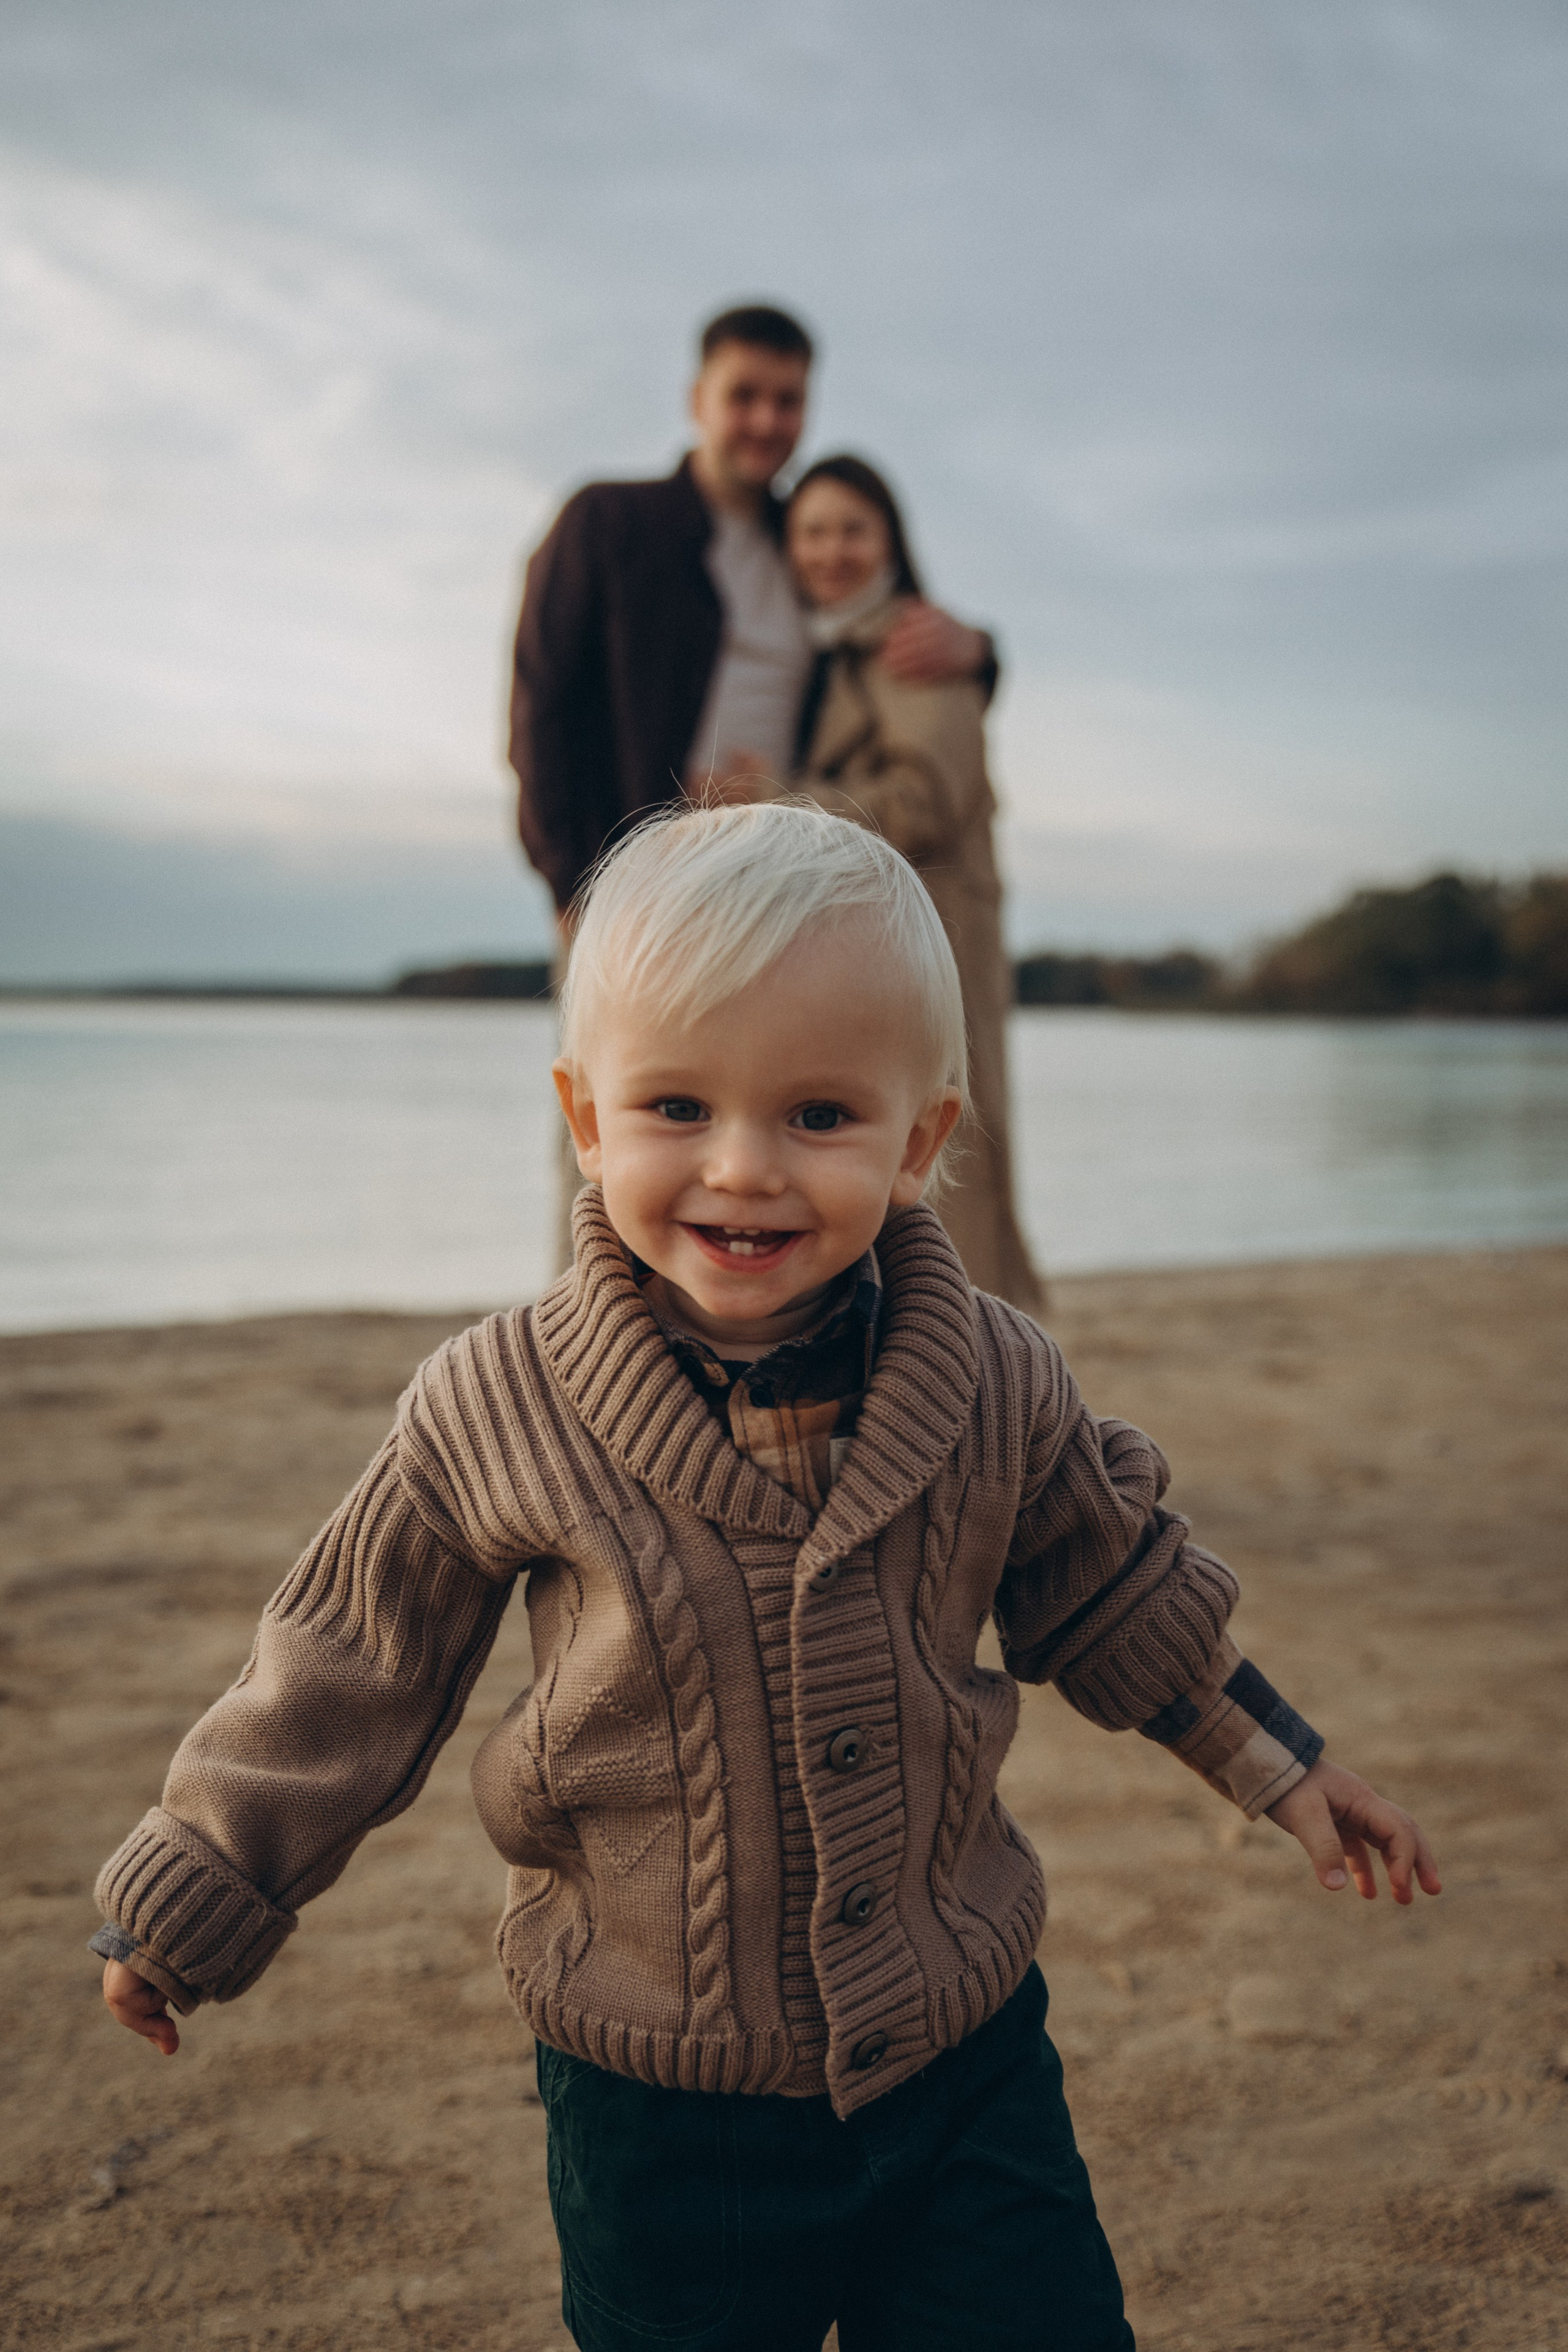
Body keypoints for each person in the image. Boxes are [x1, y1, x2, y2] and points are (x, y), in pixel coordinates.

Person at [91, 805, 1441, 2352]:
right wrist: (190, 1898)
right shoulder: (494, 1400)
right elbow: (347, 1667)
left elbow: (1116, 1590)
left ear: (919, 1139)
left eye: (816, 1115)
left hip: (961, 2049)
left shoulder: (996, 1376)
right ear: (582, 1120)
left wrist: (1286, 1770)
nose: (741, 1168)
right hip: (658, 2099)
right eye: (675, 1104)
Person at [507, 303, 996, 917]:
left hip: (778, 901)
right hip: (636, 897)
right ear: (697, 401)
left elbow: (878, 651)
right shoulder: (607, 523)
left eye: (787, 401)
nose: (766, 421)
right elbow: (541, 708)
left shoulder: (805, 543)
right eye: (743, 396)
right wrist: (573, 890)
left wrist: (982, 651)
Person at [722, 452, 1044, 1316]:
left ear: (891, 543)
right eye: (813, 533)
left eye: (853, 531)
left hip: (936, 939)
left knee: (948, 1149)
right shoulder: (830, 652)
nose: (832, 552)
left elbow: (925, 802)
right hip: (883, 942)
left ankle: (976, 1356)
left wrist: (770, 801)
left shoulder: (915, 645)